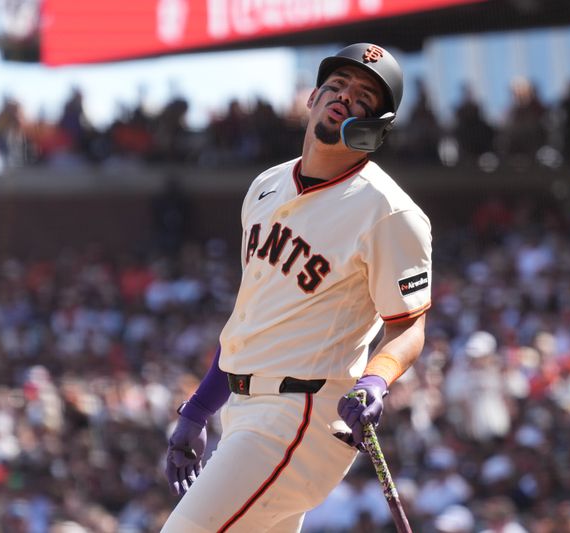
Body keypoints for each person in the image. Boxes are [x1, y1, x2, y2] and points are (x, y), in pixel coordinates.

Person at [160, 42, 433, 532]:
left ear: (376, 126)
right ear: (312, 98)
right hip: (244, 413)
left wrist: (377, 379)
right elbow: (252, 320)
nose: (346, 96)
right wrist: (200, 409)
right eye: (338, 85)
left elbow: (409, 326)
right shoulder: (265, 186)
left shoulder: (389, 211)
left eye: (364, 96)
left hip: (303, 414)